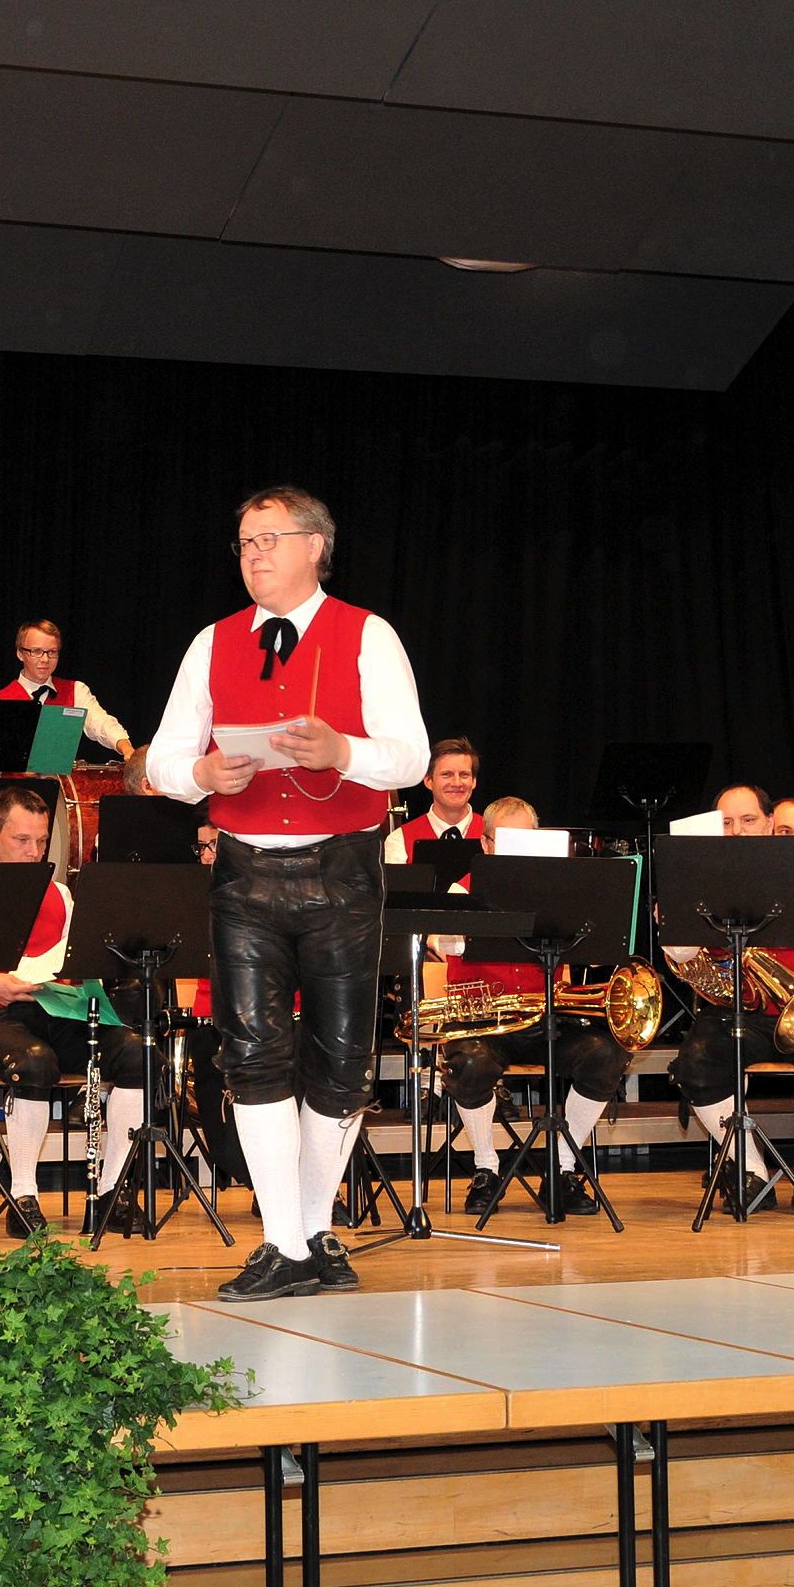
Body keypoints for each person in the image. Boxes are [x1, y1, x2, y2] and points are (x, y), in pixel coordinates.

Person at [145, 484, 430, 1300]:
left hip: (342, 869)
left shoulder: (367, 634)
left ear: (315, 546)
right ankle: (286, 1240)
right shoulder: (211, 642)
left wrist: (343, 751)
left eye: (268, 538)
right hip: (244, 872)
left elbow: (409, 756)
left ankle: (304, 1235)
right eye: (243, 542)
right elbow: (161, 761)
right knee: (253, 1054)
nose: (253, 553)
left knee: (341, 1059)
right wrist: (200, 772)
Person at [0, 785, 149, 1237]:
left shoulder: (59, 894)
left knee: (136, 1053)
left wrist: (79, 973)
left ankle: (112, 1192)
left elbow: (76, 959)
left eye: (41, 841)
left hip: (55, 1013)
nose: (34, 852)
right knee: (33, 1061)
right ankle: (22, 1195)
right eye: (22, 840)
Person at [664, 785, 794, 1217]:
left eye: (749, 821)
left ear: (769, 823)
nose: (738, 831)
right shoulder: (704, 877)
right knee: (695, 1063)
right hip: (745, 1011)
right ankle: (750, 1170)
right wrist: (677, 911)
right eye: (726, 823)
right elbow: (682, 957)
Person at [435, 796, 623, 1218]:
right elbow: (442, 941)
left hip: (545, 1020)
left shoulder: (562, 890)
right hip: (485, 1024)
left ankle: (562, 1166)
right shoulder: (462, 889)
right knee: (469, 1064)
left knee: (606, 1055)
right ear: (486, 845)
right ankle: (486, 1166)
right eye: (507, 840)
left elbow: (597, 948)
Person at [0, 618, 138, 763]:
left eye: (52, 652)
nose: (45, 659)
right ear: (20, 653)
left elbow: (101, 723)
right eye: (36, 651)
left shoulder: (76, 690)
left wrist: (126, 748)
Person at [385, 738, 486, 862]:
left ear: (474, 781)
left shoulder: (494, 835)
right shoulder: (399, 840)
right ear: (428, 781)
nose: (456, 783)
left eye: (464, 775)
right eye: (446, 774)